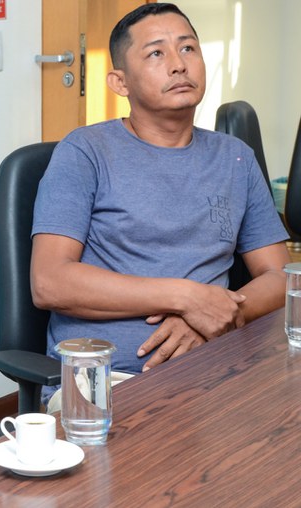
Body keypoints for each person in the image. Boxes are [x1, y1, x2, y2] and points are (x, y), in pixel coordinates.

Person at [30, 3, 290, 377]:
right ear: (120, 82)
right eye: (156, 53)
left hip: (215, 369)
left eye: (188, 48)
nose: (178, 64)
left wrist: (212, 316)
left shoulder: (235, 157)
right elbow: (49, 282)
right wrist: (186, 297)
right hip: (111, 381)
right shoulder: (85, 152)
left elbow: (283, 276)